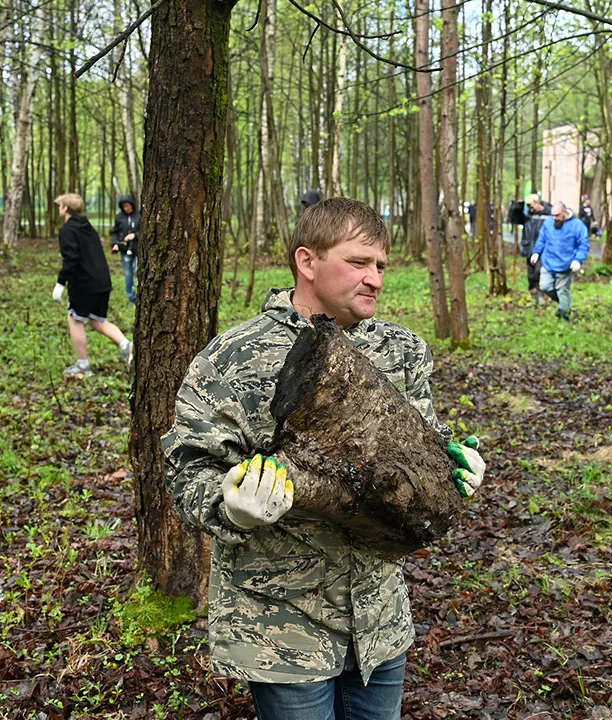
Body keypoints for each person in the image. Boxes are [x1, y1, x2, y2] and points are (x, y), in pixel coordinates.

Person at [162, 197, 486, 720]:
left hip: (379, 619)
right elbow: (187, 471)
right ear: (307, 261)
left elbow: (424, 440)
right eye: (358, 262)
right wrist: (230, 506)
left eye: (381, 265)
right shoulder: (231, 358)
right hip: (281, 624)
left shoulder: (401, 352)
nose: (375, 279)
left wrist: (454, 464)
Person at [52, 193, 132, 376]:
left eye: (60, 206)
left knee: (74, 319)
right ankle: (127, 346)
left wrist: (60, 283)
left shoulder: (67, 230)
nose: (58, 209)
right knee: (97, 320)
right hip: (102, 281)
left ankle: (82, 365)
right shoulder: (88, 227)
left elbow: (71, 259)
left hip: (84, 283)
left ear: (65, 208)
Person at [530, 201, 589, 321]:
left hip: (565, 264)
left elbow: (583, 244)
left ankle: (564, 316)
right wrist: (536, 252)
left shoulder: (577, 226)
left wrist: (578, 260)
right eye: (553, 215)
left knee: (563, 290)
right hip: (548, 262)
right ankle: (563, 304)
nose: (554, 218)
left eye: (557, 216)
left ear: (565, 212)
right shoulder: (548, 223)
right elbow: (542, 239)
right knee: (545, 286)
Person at [520, 193, 552, 302]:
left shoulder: (549, 214)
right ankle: (534, 293)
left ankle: (543, 293)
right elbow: (514, 217)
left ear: (537, 203)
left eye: (531, 206)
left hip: (543, 249)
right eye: (528, 206)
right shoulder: (528, 216)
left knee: (540, 271)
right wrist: (518, 206)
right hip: (530, 248)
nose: (530, 208)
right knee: (531, 273)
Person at [109, 194, 140, 303]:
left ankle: (141, 294)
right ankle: (131, 296)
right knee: (128, 274)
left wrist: (135, 235)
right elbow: (114, 232)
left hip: (138, 249)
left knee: (139, 271)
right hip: (125, 250)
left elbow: (146, 231)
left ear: (132, 204)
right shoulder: (119, 217)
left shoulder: (140, 215)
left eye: (127, 205)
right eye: (123, 206)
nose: (126, 208)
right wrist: (115, 244)